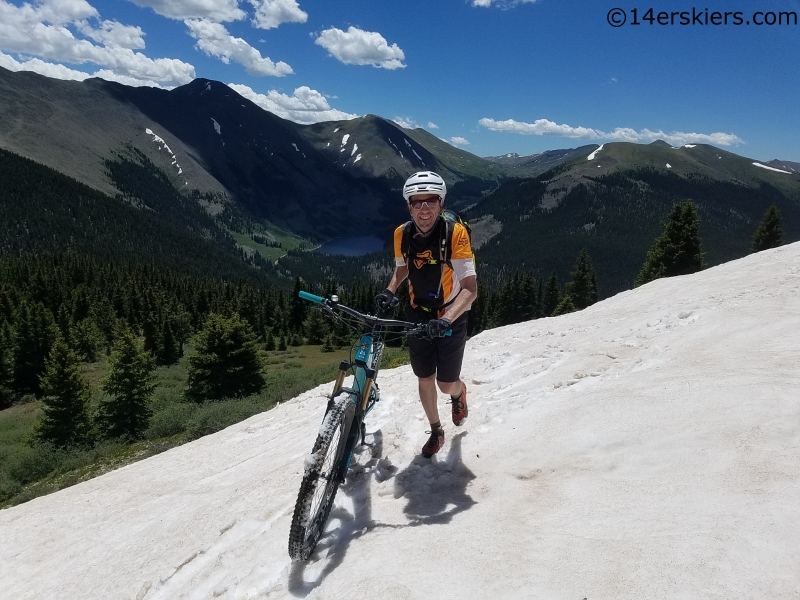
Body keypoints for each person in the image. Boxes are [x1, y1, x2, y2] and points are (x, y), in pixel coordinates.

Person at [375, 171, 477, 458]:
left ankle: (458, 393)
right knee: (423, 377)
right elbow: (402, 268)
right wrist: (391, 290)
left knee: (445, 384)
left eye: (430, 201)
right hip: (417, 311)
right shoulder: (402, 234)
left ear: (441, 203)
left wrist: (446, 319)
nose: (424, 209)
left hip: (450, 314)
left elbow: (470, 288)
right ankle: (436, 430)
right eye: (417, 202)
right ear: (409, 206)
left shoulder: (454, 233)